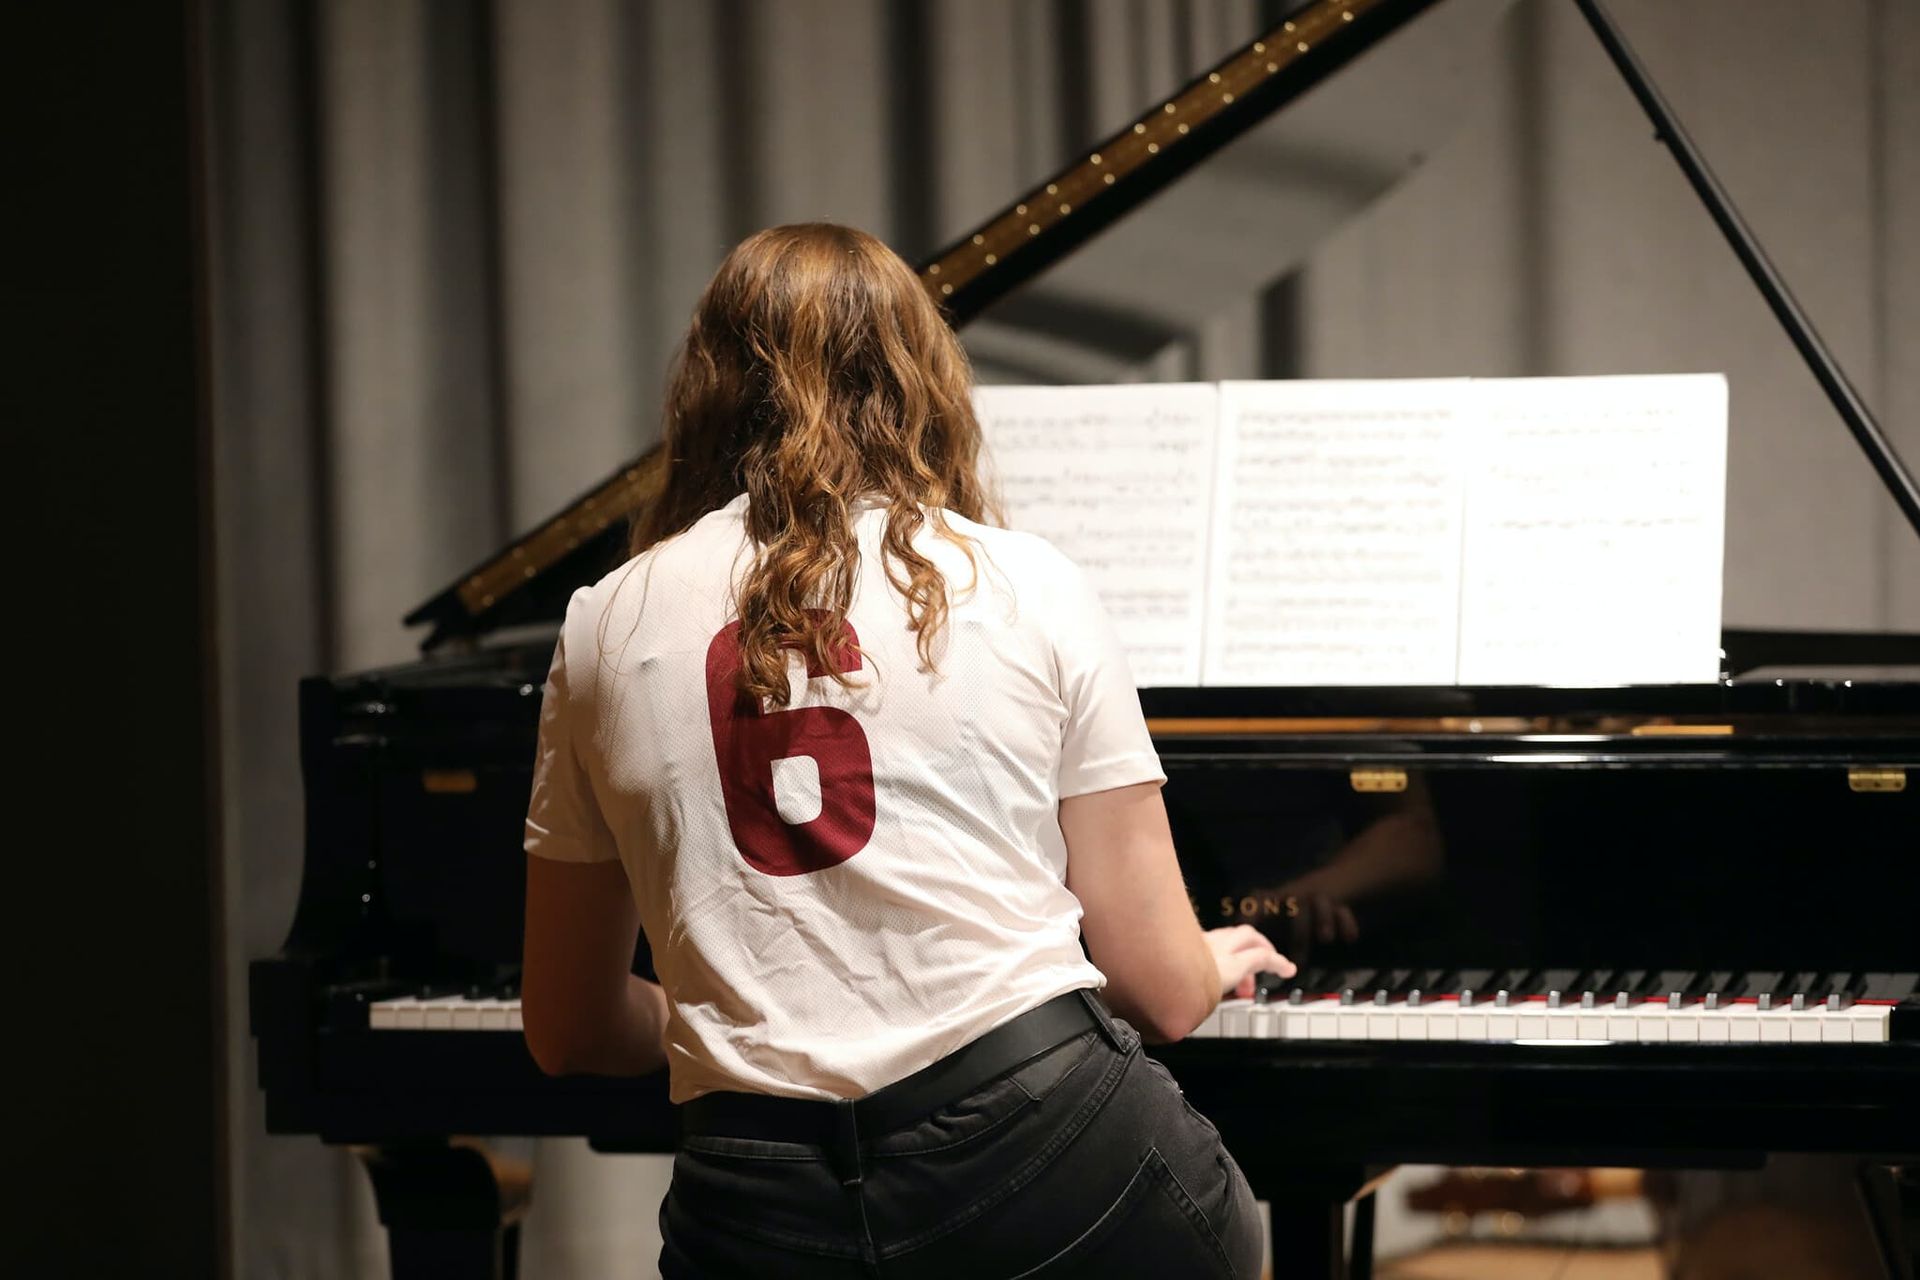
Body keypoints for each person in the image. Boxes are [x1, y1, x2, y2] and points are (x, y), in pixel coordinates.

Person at [520, 222, 1293, 1278]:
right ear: (920, 381)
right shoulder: (1026, 583)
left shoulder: (603, 622)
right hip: (1048, 1159)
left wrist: (723, 1017)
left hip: (758, 1206)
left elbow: (565, 1026)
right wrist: (1213, 952)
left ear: (702, 393)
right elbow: (1158, 987)